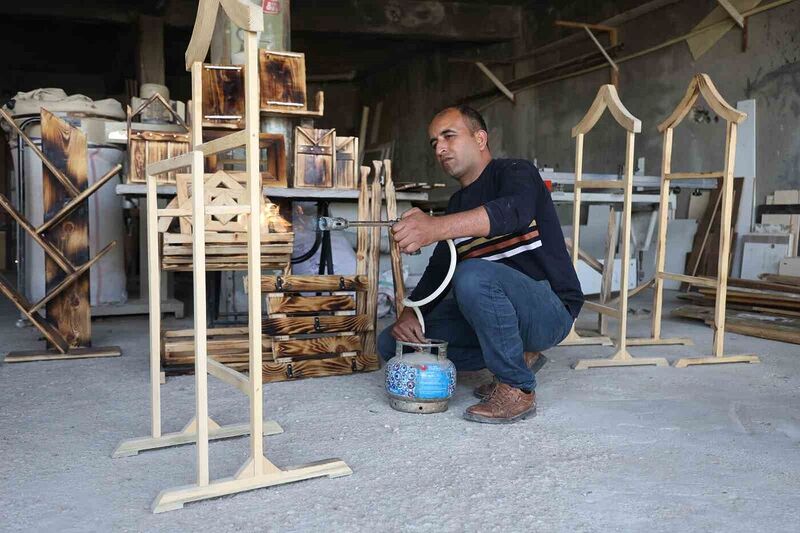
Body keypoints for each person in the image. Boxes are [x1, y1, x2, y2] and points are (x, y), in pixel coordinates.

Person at [378, 105, 583, 424]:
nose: (440, 148)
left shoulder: (516, 172)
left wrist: (435, 227)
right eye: (434, 143)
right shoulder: (458, 205)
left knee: (472, 275)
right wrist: (410, 311)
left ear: (480, 138)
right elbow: (438, 272)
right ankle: (520, 357)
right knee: (393, 341)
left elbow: (512, 212)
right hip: (495, 315)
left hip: (548, 311)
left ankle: (517, 387)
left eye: (448, 136)